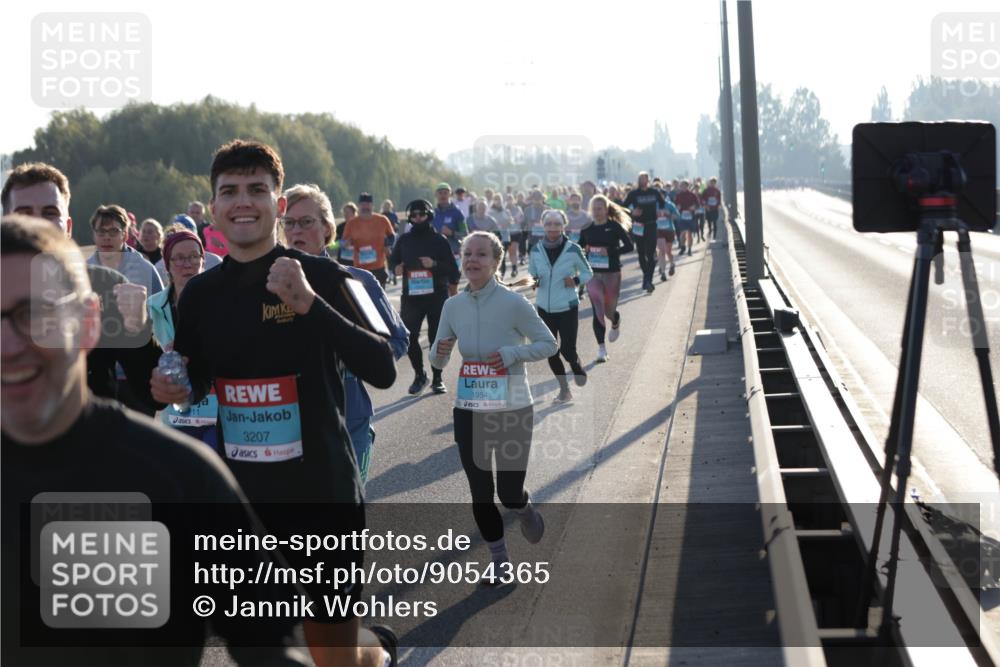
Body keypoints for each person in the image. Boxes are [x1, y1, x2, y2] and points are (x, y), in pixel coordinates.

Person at [1, 214, 308, 667]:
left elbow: (268, 648)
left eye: (34, 314)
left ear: (88, 323)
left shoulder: (177, 477)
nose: (8, 345)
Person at [149, 140, 397, 667]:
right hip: (243, 508)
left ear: (278, 204)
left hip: (323, 496)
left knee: (331, 657)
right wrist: (174, 386)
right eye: (230, 191)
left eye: (257, 189)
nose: (244, 201)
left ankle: (369, 654)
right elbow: (195, 378)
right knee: (269, 655)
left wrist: (308, 304)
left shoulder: (326, 276)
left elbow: (383, 367)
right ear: (213, 207)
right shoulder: (201, 295)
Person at [431, 231, 557, 581]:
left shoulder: (514, 302)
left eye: (481, 255)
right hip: (470, 407)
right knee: (481, 492)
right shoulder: (452, 305)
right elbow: (437, 361)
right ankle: (500, 561)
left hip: (513, 407)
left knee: (509, 491)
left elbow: (549, 344)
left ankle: (524, 507)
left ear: (496, 261)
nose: (472, 260)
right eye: (467, 253)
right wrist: (438, 354)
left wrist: (511, 354)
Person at [1, 163, 162, 412]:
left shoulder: (104, 285)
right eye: (23, 212)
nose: (38, 224)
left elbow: (153, 395)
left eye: (50, 213)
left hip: (92, 439)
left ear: (68, 226)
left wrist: (138, 329)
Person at [281, 183, 409, 487]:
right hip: (285, 426)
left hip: (348, 420)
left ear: (326, 228)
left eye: (306, 221)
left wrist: (351, 355)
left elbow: (396, 341)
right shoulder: (265, 285)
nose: (296, 230)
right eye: (289, 223)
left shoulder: (355, 281)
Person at [147, 229, 219, 450]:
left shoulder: (221, 301)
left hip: (217, 411)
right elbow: (142, 358)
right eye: (178, 258)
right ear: (167, 265)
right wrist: (162, 356)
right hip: (176, 415)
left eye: (193, 256)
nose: (187, 264)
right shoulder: (151, 306)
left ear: (203, 260)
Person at [389, 199, 460, 395]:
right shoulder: (404, 240)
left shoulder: (439, 240)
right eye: (414, 215)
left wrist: (435, 264)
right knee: (409, 337)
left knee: (436, 337)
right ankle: (419, 374)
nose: (418, 218)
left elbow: (454, 270)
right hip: (411, 296)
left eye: (421, 214)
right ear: (410, 218)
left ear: (429, 216)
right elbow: (393, 261)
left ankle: (437, 377)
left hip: (436, 295)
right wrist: (396, 268)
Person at [528, 210, 592, 403]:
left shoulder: (573, 249)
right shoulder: (536, 250)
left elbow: (588, 272)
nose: (552, 228)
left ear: (563, 226)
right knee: (551, 350)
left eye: (557, 224)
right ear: (543, 226)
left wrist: (576, 280)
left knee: (567, 350)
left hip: (567, 307)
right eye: (548, 224)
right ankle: (564, 390)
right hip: (544, 308)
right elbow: (532, 273)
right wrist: (534, 281)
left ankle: (575, 363)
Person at [578, 194, 633, 363]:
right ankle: (601, 349)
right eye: (594, 209)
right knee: (598, 309)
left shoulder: (614, 226)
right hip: (593, 274)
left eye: (600, 209)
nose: (597, 212)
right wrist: (584, 250)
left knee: (609, 310)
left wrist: (609, 251)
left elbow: (629, 246)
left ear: (606, 209)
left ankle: (615, 321)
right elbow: (579, 249)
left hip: (612, 273)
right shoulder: (587, 228)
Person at [88, 204, 164, 296]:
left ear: (125, 235)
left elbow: (161, 309)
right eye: (101, 231)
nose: (106, 237)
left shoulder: (146, 271)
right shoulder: (83, 273)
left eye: (114, 231)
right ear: (94, 235)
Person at [622, 172, 667, 294]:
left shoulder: (654, 192)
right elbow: (622, 207)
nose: (643, 180)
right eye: (641, 178)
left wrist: (660, 211)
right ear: (638, 180)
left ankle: (648, 280)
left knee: (651, 254)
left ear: (648, 180)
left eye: (645, 179)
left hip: (651, 224)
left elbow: (663, 203)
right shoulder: (633, 194)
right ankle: (646, 277)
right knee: (641, 254)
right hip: (638, 226)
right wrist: (632, 212)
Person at [342, 192, 395, 287]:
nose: (365, 208)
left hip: (379, 268)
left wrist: (387, 244)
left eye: (368, 205)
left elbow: (392, 236)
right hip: (360, 270)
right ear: (358, 206)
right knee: (362, 300)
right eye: (363, 205)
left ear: (372, 206)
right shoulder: (351, 223)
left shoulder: (382, 220)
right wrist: (346, 243)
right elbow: (343, 241)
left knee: (379, 299)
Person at [432, 182, 466, 258]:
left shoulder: (458, 213)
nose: (442, 195)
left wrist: (452, 233)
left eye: (445, 193)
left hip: (454, 254)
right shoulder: (432, 214)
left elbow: (465, 234)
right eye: (440, 193)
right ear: (436, 195)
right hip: (436, 254)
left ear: (450, 194)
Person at [673, 180, 701, 257]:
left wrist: (693, 207)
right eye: (682, 186)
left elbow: (698, 205)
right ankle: (683, 247)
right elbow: (675, 206)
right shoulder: (678, 196)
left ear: (687, 186)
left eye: (685, 186)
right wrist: (677, 208)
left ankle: (689, 249)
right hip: (682, 217)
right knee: (682, 233)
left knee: (689, 234)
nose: (683, 187)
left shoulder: (692, 195)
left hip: (691, 217)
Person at [657, 195, 680, 281]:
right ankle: (663, 273)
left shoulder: (670, 205)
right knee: (662, 251)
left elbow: (677, 216)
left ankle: (672, 264)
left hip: (669, 230)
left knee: (668, 251)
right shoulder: (654, 205)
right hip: (658, 230)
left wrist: (668, 214)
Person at [504, 193, 524, 276]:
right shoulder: (503, 209)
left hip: (516, 232)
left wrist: (517, 220)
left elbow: (522, 218)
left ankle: (514, 269)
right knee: (510, 251)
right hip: (506, 233)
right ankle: (513, 266)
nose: (509, 201)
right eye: (507, 199)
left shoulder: (517, 208)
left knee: (513, 251)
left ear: (513, 200)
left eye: (510, 199)